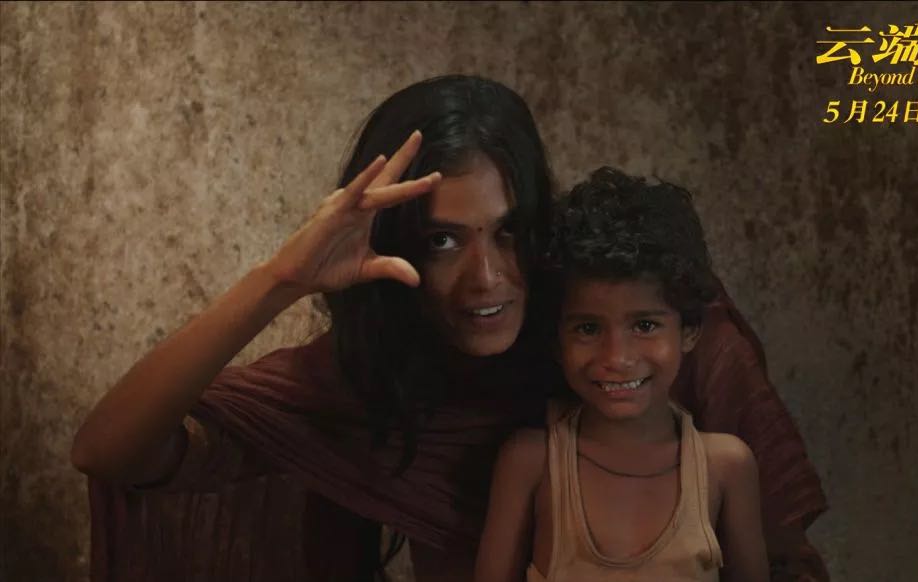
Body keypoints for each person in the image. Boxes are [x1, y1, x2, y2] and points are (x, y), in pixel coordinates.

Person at [71, 75, 827, 581]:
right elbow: (108, 452)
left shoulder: (651, 342)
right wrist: (279, 280)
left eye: (508, 233)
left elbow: (783, 560)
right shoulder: (360, 381)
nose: (486, 279)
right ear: (396, 244)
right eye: (442, 241)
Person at [475, 167, 769, 582]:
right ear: (556, 341)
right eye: (588, 328)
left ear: (689, 330)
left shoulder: (725, 467)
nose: (617, 357)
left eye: (645, 325)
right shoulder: (530, 462)